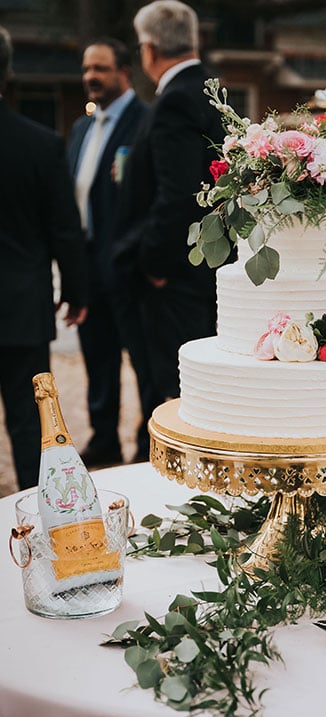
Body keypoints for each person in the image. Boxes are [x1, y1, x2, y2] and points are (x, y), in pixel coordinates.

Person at [114, 0, 233, 402]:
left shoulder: (175, 101)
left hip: (174, 281)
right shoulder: (215, 94)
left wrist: (155, 266)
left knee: (176, 394)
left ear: (148, 48)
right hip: (205, 271)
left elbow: (177, 194)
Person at [0, 25, 88, 491]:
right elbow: (63, 231)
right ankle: (36, 511)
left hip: (22, 308)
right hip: (21, 307)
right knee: (28, 422)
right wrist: (75, 291)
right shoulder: (40, 144)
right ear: (9, 70)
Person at [68, 38, 153, 467]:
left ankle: (145, 445)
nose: (90, 77)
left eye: (100, 68)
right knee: (97, 358)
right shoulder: (82, 127)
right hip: (87, 268)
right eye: (86, 68)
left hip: (130, 268)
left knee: (143, 363)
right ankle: (104, 440)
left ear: (124, 72)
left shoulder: (146, 122)